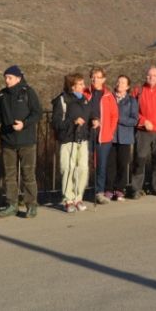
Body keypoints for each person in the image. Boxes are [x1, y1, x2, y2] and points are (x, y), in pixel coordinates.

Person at [0, 65, 42, 218]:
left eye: (10, 77)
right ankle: (11, 204)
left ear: (18, 78)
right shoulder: (1, 95)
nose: (7, 80)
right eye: (5, 77)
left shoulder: (28, 92)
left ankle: (31, 205)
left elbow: (37, 113)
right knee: (9, 175)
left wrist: (24, 124)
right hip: (7, 141)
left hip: (26, 141)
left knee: (28, 175)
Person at [129, 66, 156, 198]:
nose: (151, 78)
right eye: (149, 75)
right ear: (145, 76)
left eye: (154, 76)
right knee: (139, 160)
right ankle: (136, 189)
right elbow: (131, 111)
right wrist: (143, 121)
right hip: (143, 132)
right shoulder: (138, 91)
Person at [52, 73, 92, 212]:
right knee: (68, 169)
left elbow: (90, 115)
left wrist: (95, 120)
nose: (83, 86)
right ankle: (68, 200)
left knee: (83, 169)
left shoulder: (85, 100)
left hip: (83, 139)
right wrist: (72, 122)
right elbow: (56, 122)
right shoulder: (62, 100)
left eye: (83, 83)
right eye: (80, 84)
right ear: (72, 86)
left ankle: (78, 198)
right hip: (68, 140)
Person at [85, 67, 117, 205]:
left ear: (103, 79)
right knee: (83, 166)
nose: (95, 79)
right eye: (93, 76)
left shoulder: (109, 95)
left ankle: (99, 192)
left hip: (103, 137)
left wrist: (109, 131)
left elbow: (114, 115)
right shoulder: (84, 93)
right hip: (86, 135)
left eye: (98, 77)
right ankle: (79, 193)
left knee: (101, 166)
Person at [110, 75, 139, 201]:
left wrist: (119, 119)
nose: (119, 84)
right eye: (118, 81)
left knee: (123, 164)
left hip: (125, 137)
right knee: (110, 165)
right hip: (111, 136)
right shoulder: (109, 98)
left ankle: (120, 189)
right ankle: (109, 189)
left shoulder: (132, 101)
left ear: (127, 86)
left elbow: (134, 120)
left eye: (123, 83)